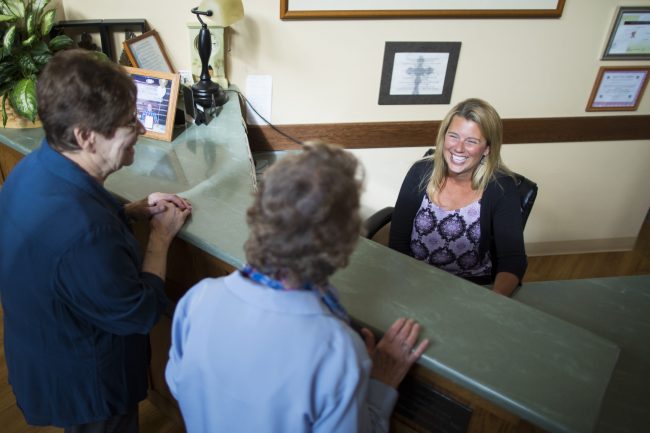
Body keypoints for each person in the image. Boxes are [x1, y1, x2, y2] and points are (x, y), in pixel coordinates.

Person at [166, 142, 429, 433]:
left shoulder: (199, 298)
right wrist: (378, 386)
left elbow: (180, 385)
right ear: (342, 246)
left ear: (259, 215)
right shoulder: (337, 351)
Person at [0, 49, 192, 432]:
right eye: (126, 122)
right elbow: (139, 313)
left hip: (43, 347)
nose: (139, 128)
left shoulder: (32, 168)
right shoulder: (86, 231)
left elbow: (64, 254)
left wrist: (126, 212)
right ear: (85, 137)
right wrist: (160, 237)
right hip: (86, 382)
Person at [389, 98, 526, 296]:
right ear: (443, 137)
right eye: (453, 136)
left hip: (470, 287)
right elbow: (398, 242)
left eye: (471, 141)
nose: (459, 148)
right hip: (414, 279)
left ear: (487, 148)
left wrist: (492, 301)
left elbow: (513, 259)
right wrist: (405, 284)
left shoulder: (501, 188)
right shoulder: (421, 172)